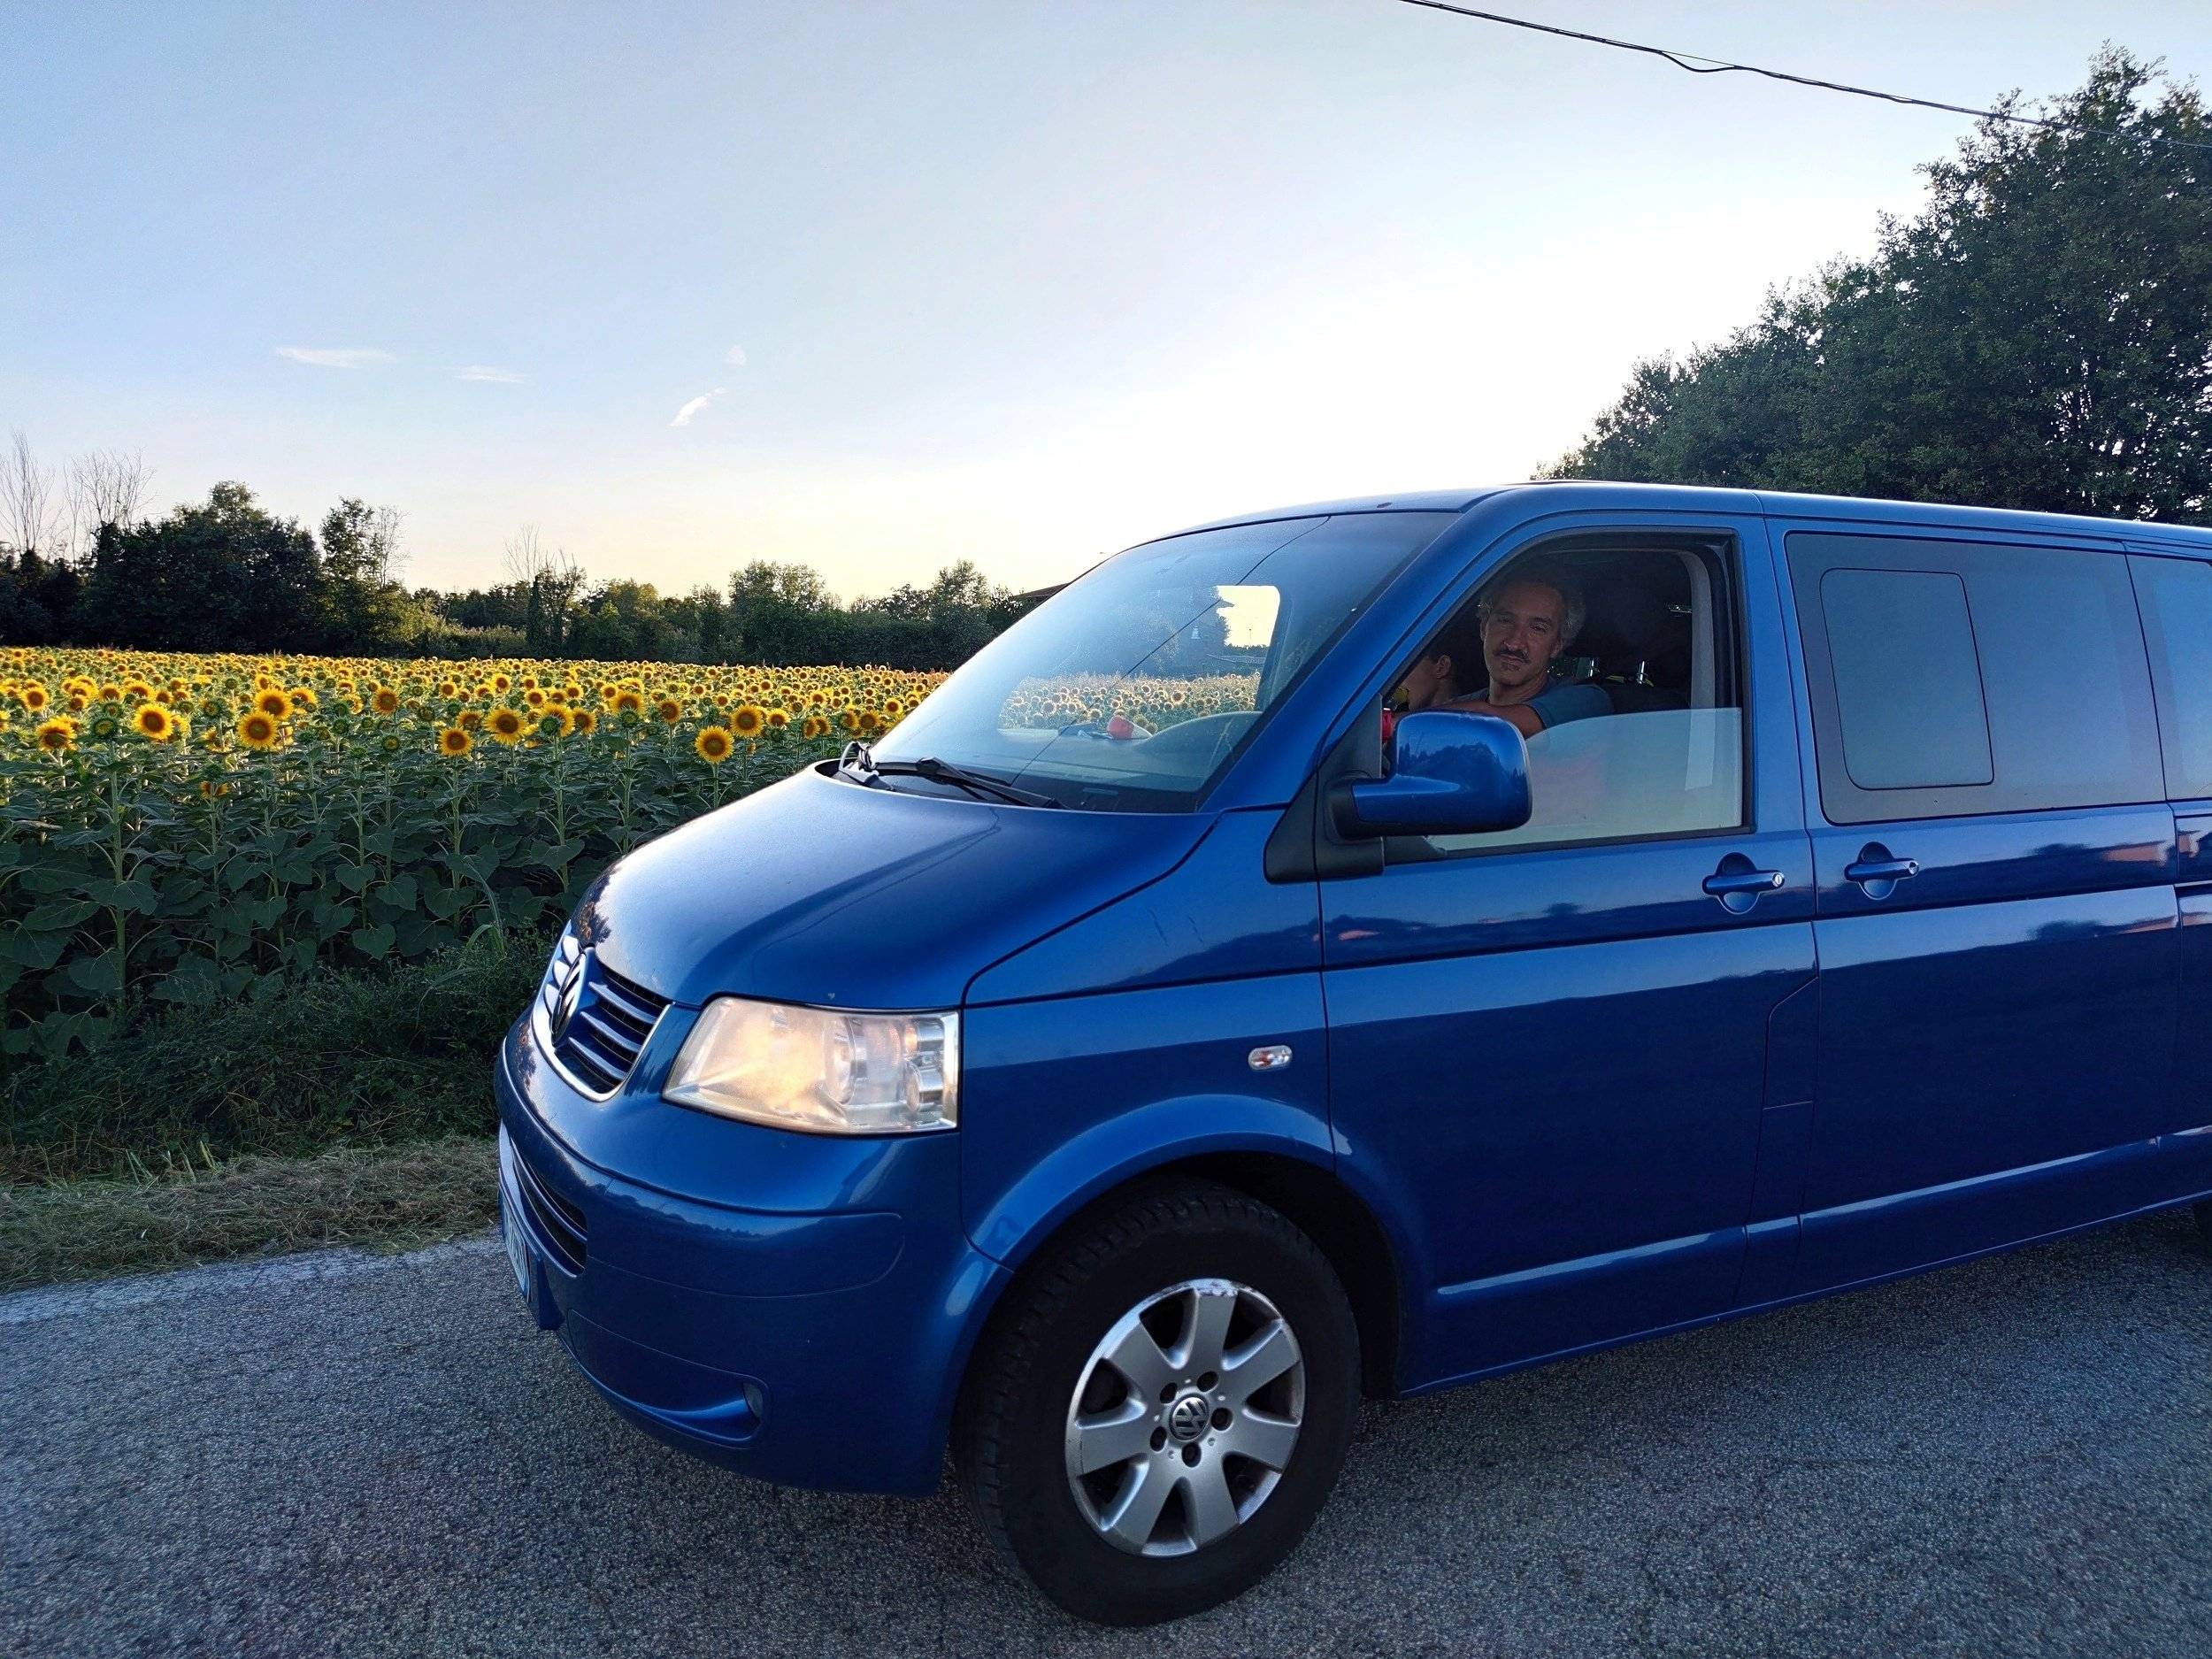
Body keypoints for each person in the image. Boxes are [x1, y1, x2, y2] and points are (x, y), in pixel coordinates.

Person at [1405, 572, 1607, 740]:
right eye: (1505, 621)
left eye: (1537, 628)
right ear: (1484, 628)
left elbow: (1495, 722)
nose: (1513, 643)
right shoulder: (1460, 705)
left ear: (1556, 646)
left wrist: (1393, 724)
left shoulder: (1586, 701)